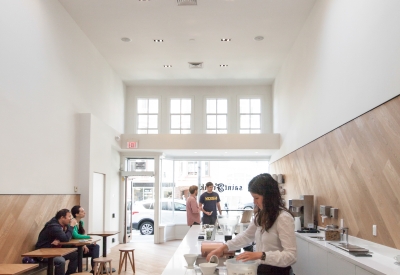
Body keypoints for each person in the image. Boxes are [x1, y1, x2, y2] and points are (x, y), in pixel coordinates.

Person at [206, 173, 296, 275]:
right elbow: (246, 236)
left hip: (279, 272)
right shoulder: (261, 215)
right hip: (261, 270)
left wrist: (260, 255)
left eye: (256, 198)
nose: (254, 202)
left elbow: (291, 256)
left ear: (269, 196)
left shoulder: (283, 218)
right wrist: (223, 248)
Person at [35, 209, 78, 275]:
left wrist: (61, 238)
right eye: (69, 217)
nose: (70, 219)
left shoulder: (61, 224)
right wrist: (71, 226)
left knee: (75, 255)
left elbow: (66, 237)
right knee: (61, 261)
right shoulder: (53, 226)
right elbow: (66, 238)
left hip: (54, 251)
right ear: (62, 218)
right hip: (44, 253)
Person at [71, 205, 100, 272]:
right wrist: (89, 237)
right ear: (76, 214)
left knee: (96, 246)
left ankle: (94, 268)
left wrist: (84, 244)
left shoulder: (81, 222)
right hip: (73, 246)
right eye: (82, 211)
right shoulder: (72, 222)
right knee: (93, 248)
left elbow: (81, 236)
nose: (84, 212)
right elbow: (76, 236)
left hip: (80, 245)